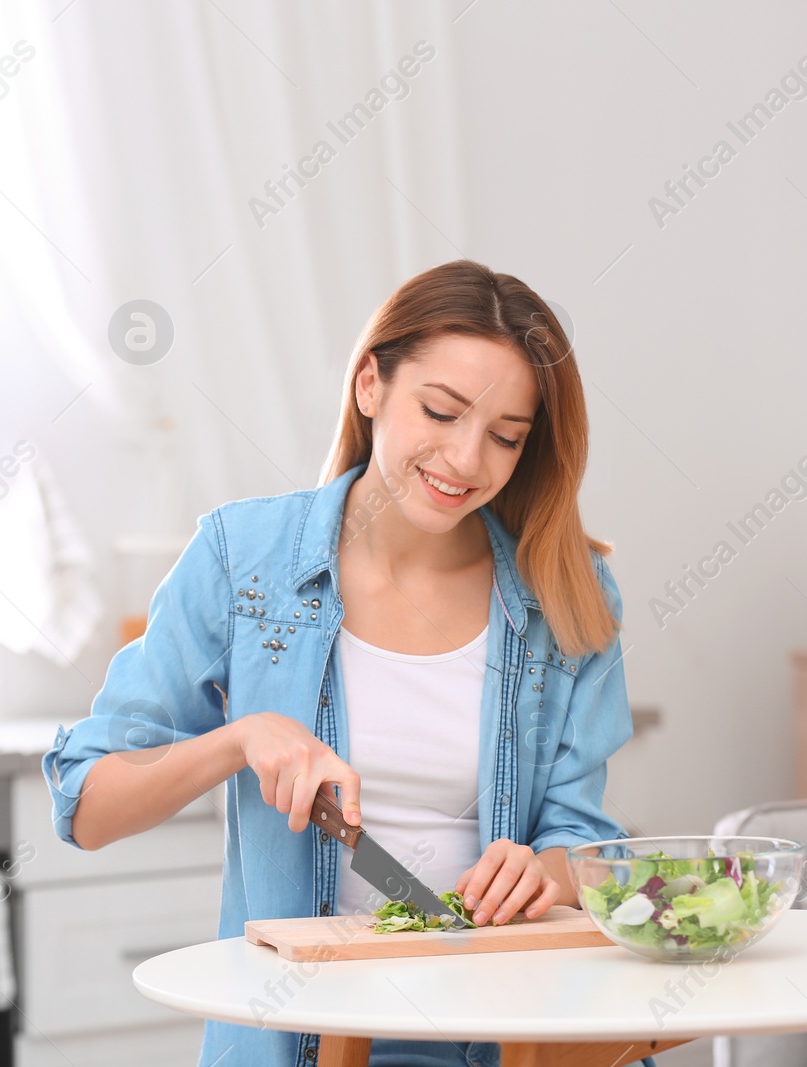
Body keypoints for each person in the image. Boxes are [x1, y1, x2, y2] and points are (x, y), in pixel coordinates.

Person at [43, 259, 650, 1067]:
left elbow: (586, 841)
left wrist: (550, 872)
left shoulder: (565, 588)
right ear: (371, 383)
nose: (467, 460)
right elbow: (86, 805)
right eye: (441, 412)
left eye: (506, 436)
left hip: (506, 1036)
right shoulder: (242, 559)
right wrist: (239, 738)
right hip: (298, 1041)